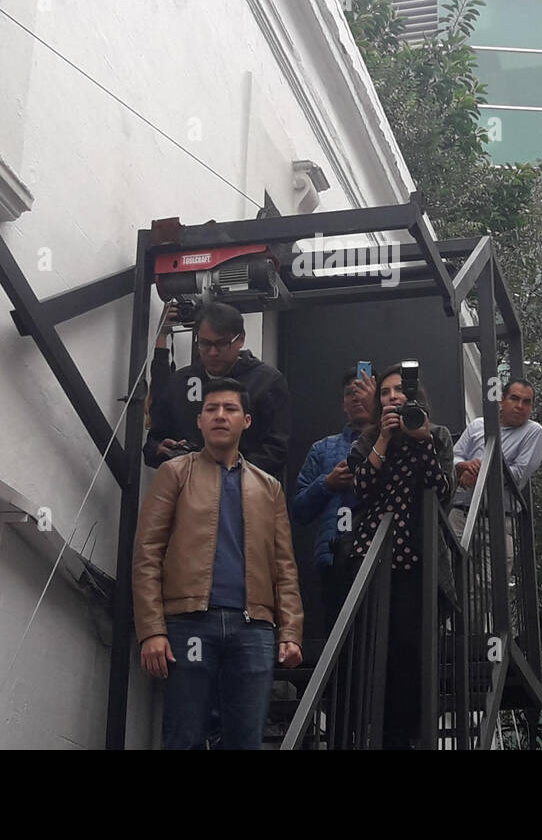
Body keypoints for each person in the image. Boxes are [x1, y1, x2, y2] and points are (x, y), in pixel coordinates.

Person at [132, 377, 303, 750]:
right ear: (199, 421)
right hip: (189, 622)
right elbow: (147, 553)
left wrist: (290, 631)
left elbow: (284, 565)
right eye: (211, 409)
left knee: (245, 740)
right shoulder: (174, 473)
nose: (220, 416)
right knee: (184, 736)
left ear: (247, 420)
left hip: (253, 628)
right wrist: (151, 630)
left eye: (229, 409)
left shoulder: (268, 487)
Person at [347, 364, 454, 749]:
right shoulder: (370, 438)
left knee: (412, 651)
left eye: (400, 391)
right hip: (373, 555)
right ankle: (378, 733)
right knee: (376, 649)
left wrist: (421, 439)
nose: (394, 397)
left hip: (418, 559)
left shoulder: (436, 435)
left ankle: (406, 735)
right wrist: (384, 441)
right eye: (386, 393)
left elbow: (440, 490)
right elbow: (360, 487)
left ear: (414, 396)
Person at [144, 301, 291, 480]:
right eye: (205, 343)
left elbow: (276, 450)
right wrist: (160, 449)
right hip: (186, 491)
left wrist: (224, 472)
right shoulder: (179, 382)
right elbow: (152, 443)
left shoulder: (267, 382)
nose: (212, 352)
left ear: (240, 339)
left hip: (243, 492)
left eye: (221, 344)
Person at [291, 368, 376, 630]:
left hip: (382, 554)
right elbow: (299, 510)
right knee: (337, 635)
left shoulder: (393, 442)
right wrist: (326, 484)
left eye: (363, 391)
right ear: (343, 404)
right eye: (350, 393)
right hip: (332, 556)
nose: (356, 397)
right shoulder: (323, 448)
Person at [448, 379, 542, 542]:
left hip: (499, 521)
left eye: (526, 402)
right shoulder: (477, 425)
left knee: (494, 567)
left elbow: (517, 475)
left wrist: (477, 473)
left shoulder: (533, 431)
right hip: (460, 515)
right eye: (514, 398)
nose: (520, 406)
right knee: (453, 565)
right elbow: (453, 457)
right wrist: (463, 466)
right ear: (502, 399)